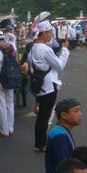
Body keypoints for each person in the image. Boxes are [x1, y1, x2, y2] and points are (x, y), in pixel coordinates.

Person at [29, 20, 70, 152]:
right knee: (44, 116)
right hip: (48, 85)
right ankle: (41, 143)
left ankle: (40, 142)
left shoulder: (34, 47)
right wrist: (65, 50)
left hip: (40, 84)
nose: (51, 34)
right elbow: (59, 66)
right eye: (50, 32)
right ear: (44, 33)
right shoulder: (45, 50)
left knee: (42, 115)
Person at [45, 98, 82, 173]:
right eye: (76, 111)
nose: (80, 114)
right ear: (64, 115)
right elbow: (64, 167)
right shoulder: (60, 137)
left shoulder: (62, 130)